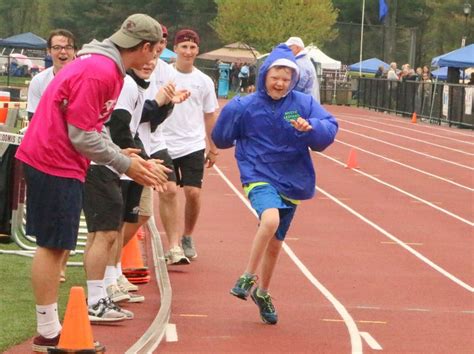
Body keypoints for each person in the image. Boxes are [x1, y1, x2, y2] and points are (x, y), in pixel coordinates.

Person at [15, 14, 166, 352]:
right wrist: (127, 164)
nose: (154, 59)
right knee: (53, 246)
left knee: (57, 245)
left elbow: (91, 127)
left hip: (60, 160)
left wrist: (123, 155)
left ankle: (50, 329)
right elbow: (81, 134)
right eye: (155, 51)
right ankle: (48, 332)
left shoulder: (103, 67)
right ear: (143, 47)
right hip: (53, 160)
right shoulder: (101, 71)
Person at [212, 44, 338, 325]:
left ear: (293, 79)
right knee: (268, 220)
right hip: (257, 173)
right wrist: (229, 116)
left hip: (292, 179)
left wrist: (312, 129)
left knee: (275, 244)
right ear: (264, 76)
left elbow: (329, 128)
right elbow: (221, 138)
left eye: (285, 79)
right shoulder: (245, 106)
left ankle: (263, 292)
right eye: (274, 77)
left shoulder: (302, 104)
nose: (280, 84)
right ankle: (247, 276)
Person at [161, 29, 219, 260]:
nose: (188, 51)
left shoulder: (204, 81)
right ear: (175, 49)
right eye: (183, 47)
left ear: (197, 50)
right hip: (164, 142)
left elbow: (209, 115)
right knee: (169, 191)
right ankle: (173, 244)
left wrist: (213, 147)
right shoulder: (164, 75)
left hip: (192, 143)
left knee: (193, 193)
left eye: (192, 47)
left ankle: (187, 236)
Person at [26, 29, 77, 283]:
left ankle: (61, 265)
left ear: (74, 50)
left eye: (67, 47)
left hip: (76, 156)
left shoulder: (82, 79)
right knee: (50, 220)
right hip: (46, 156)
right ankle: (51, 263)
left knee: (69, 216)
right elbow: (34, 119)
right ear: (49, 52)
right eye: (57, 47)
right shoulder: (39, 82)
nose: (63, 52)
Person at [146, 25, 191, 265]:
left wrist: (169, 103)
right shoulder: (132, 65)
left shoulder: (167, 72)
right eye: (155, 40)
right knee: (138, 207)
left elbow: (159, 115)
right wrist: (160, 102)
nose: (159, 45)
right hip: (132, 138)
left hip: (156, 139)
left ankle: (174, 246)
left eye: (163, 40)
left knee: (171, 189)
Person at [285, 36, 320, 103]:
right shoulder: (304, 61)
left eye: (290, 47)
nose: (288, 50)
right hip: (308, 103)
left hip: (303, 104)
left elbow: (298, 85)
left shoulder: (300, 63)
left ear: (297, 48)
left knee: (288, 114)